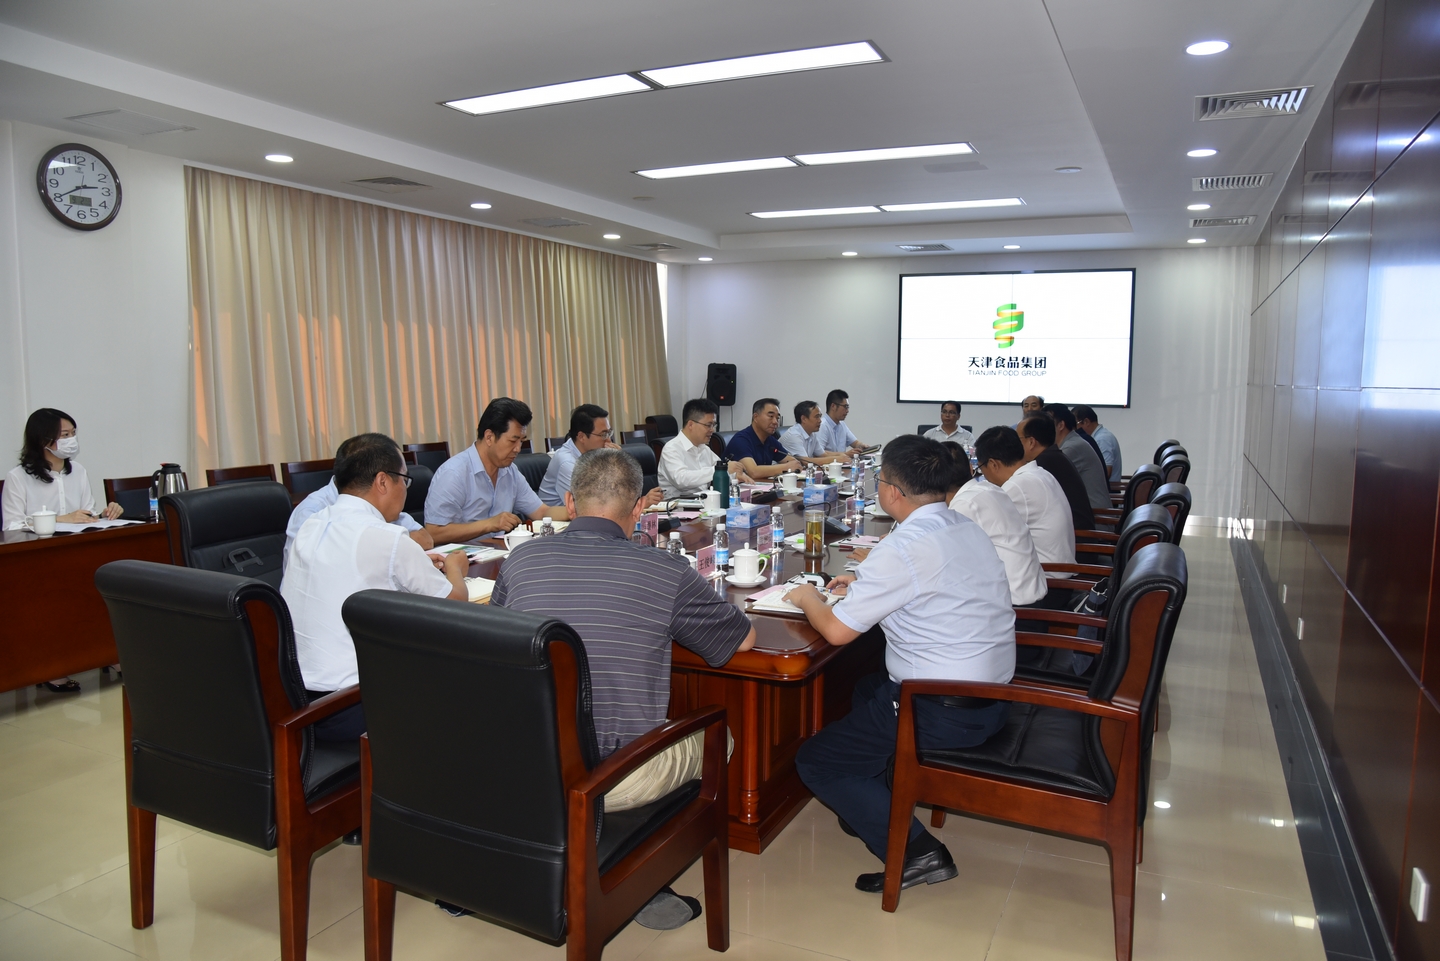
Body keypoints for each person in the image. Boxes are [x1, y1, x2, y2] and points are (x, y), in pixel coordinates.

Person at [492, 447, 755, 929]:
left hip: (520, 767)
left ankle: (579, 850)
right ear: (638, 509)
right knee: (721, 737)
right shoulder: (664, 570)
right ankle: (636, 869)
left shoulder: (520, 559)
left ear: (570, 503)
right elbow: (743, 641)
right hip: (609, 779)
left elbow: (498, 643)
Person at [787, 435, 1014, 895]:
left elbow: (836, 632)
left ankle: (918, 852)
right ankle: (873, 801)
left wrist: (807, 597)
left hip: (940, 710)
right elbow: (925, 580)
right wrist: (862, 582)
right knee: (865, 687)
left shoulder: (903, 547)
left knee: (816, 761)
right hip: (992, 697)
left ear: (892, 491)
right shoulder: (962, 525)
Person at [283, 433, 469, 741]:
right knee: (465, 675)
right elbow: (456, 604)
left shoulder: (311, 524)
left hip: (296, 702)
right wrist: (455, 567)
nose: (405, 490)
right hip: (352, 707)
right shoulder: (386, 537)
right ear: (383, 481)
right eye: (404, 480)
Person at [4, 408, 124, 692]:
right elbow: (11, 526)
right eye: (64, 435)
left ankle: (107, 654)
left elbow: (86, 514)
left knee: (102, 587)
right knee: (53, 597)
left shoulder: (78, 471)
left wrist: (104, 514)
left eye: (73, 434)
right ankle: (52, 667)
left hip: (75, 554)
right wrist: (60, 519)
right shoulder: (18, 477)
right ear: (42, 440)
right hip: (34, 562)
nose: (71, 440)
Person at [423, 398, 568, 543]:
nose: (518, 449)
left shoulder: (510, 472)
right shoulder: (453, 473)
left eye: (521, 441)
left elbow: (542, 512)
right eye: (513, 441)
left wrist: (575, 510)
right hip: (463, 556)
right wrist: (489, 524)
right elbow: (433, 533)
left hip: (499, 552)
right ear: (489, 437)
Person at [284, 435, 431, 567]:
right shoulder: (312, 513)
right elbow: (318, 569)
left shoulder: (379, 503)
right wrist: (394, 547)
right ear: (382, 482)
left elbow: (425, 539)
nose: (404, 487)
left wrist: (394, 548)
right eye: (403, 479)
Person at [942, 443, 1047, 606]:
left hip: (1014, 605)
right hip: (1032, 593)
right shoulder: (988, 489)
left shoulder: (964, 505)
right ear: (971, 468)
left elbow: (947, 562)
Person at [974, 426, 1077, 572]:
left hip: (1048, 577)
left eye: (980, 468)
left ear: (993, 464)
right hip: (1058, 571)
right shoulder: (1041, 473)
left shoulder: (1017, 486)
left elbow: (985, 534)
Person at [1018, 415, 1094, 531]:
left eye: (1018, 439)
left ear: (1031, 442)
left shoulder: (1043, 464)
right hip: (1071, 531)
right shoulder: (1054, 457)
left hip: (1076, 535)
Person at [657, 398, 743, 497]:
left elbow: (720, 467)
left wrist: (736, 475)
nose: (712, 430)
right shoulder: (671, 449)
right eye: (708, 425)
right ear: (691, 424)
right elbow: (681, 480)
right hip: (678, 504)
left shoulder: (704, 448)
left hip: (703, 501)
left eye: (714, 425)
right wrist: (720, 469)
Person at [540, 404, 617, 507]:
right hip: (558, 516)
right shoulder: (567, 463)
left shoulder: (591, 453)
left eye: (609, 433)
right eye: (603, 434)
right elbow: (589, 506)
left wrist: (618, 462)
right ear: (581, 437)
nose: (608, 440)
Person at [1042, 404, 1110, 511]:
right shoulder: (1071, 442)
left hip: (1096, 515)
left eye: (1047, 424)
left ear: (1061, 425)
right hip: (1085, 511)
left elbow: (1046, 481)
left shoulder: (1072, 447)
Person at [725, 398, 801, 479]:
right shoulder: (741, 440)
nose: (775, 422)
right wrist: (786, 467)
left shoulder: (770, 440)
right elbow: (753, 472)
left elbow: (793, 462)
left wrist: (792, 465)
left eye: (777, 418)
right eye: (771, 416)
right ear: (755, 417)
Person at [780, 400, 848, 466]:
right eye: (817, 417)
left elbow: (822, 454)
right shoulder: (794, 435)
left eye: (820, 416)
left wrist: (841, 455)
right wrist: (836, 459)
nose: (820, 421)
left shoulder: (812, 434)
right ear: (804, 419)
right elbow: (806, 461)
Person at [1074, 404, 1122, 483]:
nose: (1074, 429)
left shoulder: (1102, 439)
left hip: (1107, 489)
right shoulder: (1099, 436)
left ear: (1086, 422)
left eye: (1075, 424)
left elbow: (1107, 472)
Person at [818, 389, 865, 456]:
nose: (847, 411)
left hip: (842, 462)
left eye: (848, 407)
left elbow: (855, 443)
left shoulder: (842, 424)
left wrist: (862, 446)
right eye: (845, 407)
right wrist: (845, 454)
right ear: (833, 406)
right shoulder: (822, 425)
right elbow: (819, 453)